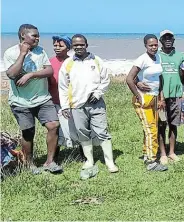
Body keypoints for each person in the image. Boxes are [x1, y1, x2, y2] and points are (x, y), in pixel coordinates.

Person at [3, 24, 62, 174]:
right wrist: (23, 54)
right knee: (28, 132)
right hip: (20, 102)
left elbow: (49, 70)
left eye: (38, 35)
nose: (37, 38)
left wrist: (31, 74)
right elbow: (11, 74)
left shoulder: (40, 51)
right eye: (34, 35)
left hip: (43, 99)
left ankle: (50, 161)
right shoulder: (11, 53)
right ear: (23, 35)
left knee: (54, 125)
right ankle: (29, 164)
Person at [58, 34, 118, 180]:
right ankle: (89, 160)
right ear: (72, 46)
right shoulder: (68, 63)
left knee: (102, 131)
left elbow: (105, 80)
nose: (79, 47)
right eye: (76, 45)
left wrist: (98, 93)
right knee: (82, 133)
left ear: (86, 44)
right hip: (77, 104)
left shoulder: (96, 61)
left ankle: (110, 162)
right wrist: (65, 106)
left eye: (81, 44)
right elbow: (63, 86)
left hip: (96, 103)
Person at [136, 30, 184, 161]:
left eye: (170, 37)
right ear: (161, 41)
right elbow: (138, 73)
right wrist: (138, 83)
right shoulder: (155, 55)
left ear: (174, 40)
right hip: (159, 97)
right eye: (165, 38)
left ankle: (172, 152)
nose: (168, 39)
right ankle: (163, 153)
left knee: (173, 124)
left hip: (176, 95)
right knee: (160, 125)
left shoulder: (181, 56)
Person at [126, 34, 168, 171]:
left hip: (155, 98)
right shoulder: (142, 59)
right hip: (144, 99)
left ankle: (146, 154)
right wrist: (138, 95)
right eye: (151, 45)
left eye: (156, 45)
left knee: (151, 128)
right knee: (151, 130)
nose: (154, 47)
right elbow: (129, 79)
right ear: (145, 45)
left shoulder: (158, 57)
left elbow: (159, 78)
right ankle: (151, 162)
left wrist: (161, 97)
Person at [49, 35, 77, 151]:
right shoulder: (49, 62)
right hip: (54, 101)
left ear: (68, 48)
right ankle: (55, 156)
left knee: (76, 127)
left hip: (72, 101)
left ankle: (83, 154)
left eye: (60, 46)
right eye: (55, 45)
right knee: (56, 129)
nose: (57, 48)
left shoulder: (74, 62)